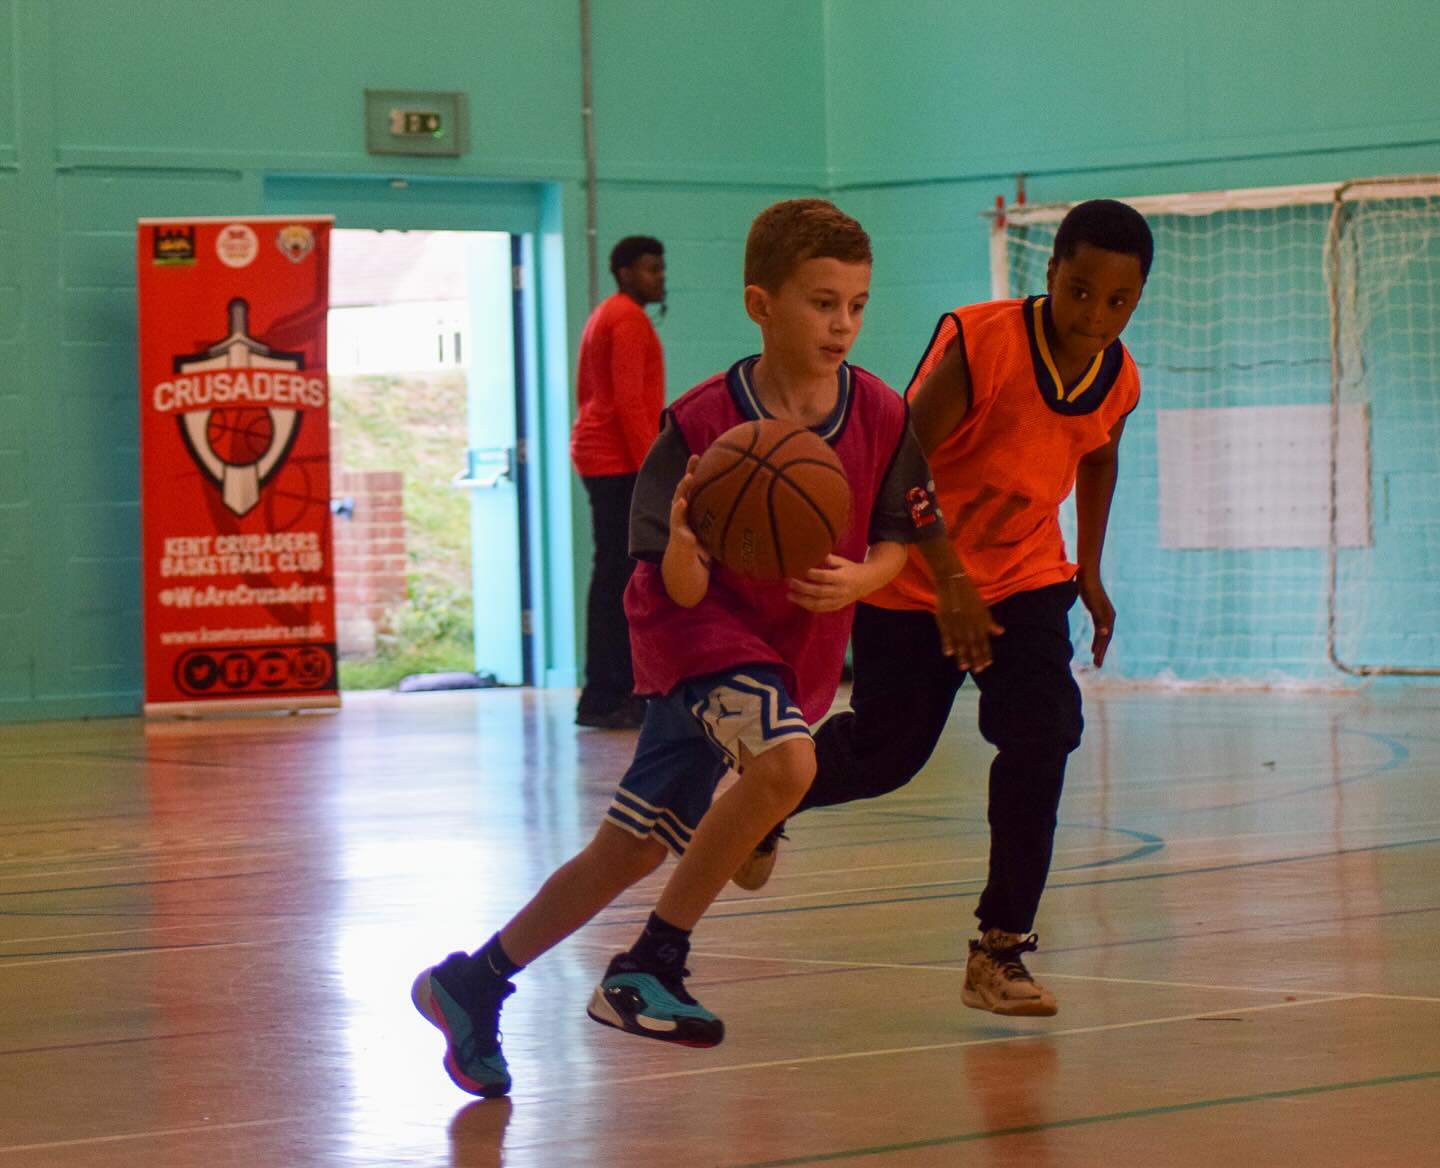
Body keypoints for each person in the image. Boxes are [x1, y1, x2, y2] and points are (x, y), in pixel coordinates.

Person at [411, 198, 946, 1097]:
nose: (843, 323)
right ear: (760, 303)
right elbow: (677, 581)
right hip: (694, 630)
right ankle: (652, 963)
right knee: (785, 767)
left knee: (629, 849)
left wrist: (862, 579)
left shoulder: (884, 415)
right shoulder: (700, 423)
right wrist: (698, 544)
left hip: (791, 652)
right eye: (822, 303)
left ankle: (471, 982)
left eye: (856, 303)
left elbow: (902, 540)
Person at [738, 199, 1154, 1019]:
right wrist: (951, 579)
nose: (1094, 315)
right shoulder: (980, 340)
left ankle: (1001, 950)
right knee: (889, 755)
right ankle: (765, 794)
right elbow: (897, 460)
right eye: (1079, 291)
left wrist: (1092, 570)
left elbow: (1100, 455)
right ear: (1050, 274)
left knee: (1043, 735)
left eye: (1117, 301)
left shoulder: (1120, 374)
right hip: (914, 579)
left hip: (1027, 578)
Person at [571, 236, 668, 729]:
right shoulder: (627, 318)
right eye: (651, 269)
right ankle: (609, 694)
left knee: (612, 575)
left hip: (602, 457)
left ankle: (606, 692)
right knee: (619, 580)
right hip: (619, 462)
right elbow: (630, 403)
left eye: (661, 268)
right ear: (626, 272)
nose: (660, 277)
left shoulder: (606, 313)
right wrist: (654, 471)